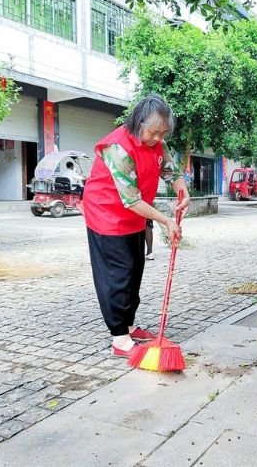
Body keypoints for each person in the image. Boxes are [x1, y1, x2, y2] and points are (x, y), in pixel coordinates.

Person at [83, 94, 190, 357]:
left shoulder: (157, 145)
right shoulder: (118, 147)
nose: (157, 139)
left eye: (162, 134)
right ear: (138, 123)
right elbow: (130, 199)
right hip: (106, 214)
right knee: (117, 274)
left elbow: (172, 173)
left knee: (134, 271)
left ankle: (129, 325)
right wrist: (165, 220)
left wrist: (183, 192)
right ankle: (119, 338)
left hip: (134, 216)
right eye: (153, 133)